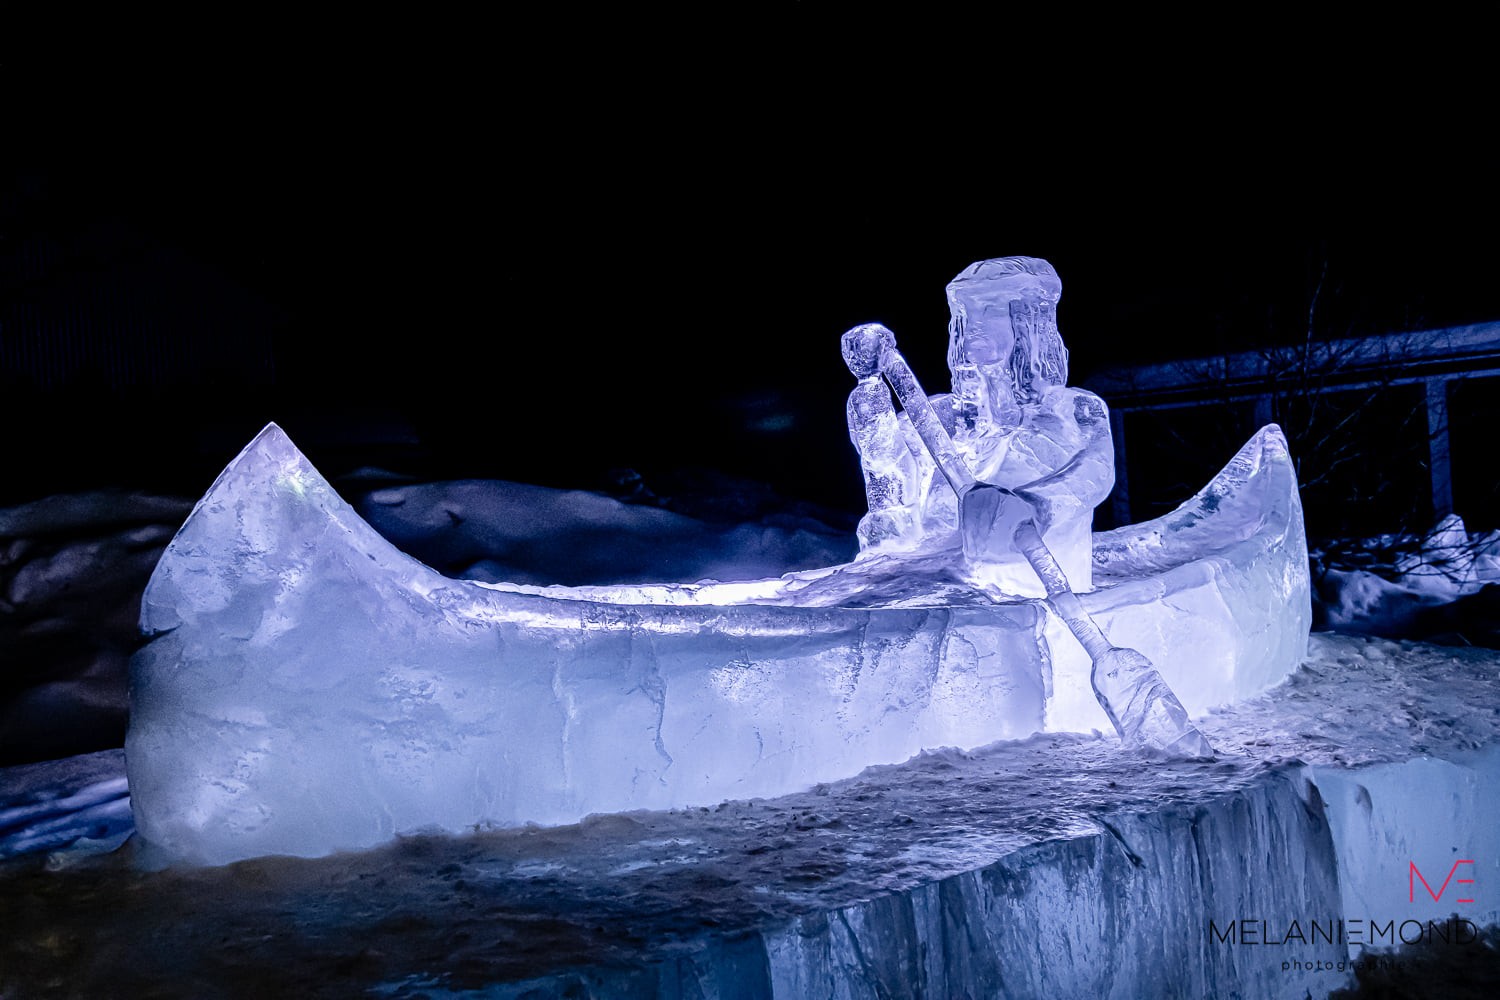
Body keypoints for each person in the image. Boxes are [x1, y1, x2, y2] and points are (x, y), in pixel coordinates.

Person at [842, 257, 1114, 595]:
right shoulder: (942, 417)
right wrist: (874, 428)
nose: (974, 324)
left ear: (1030, 321)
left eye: (991, 310)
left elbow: (1094, 475)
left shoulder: (1076, 411)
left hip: (1032, 594)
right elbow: (894, 480)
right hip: (938, 583)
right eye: (967, 312)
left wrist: (1036, 506)